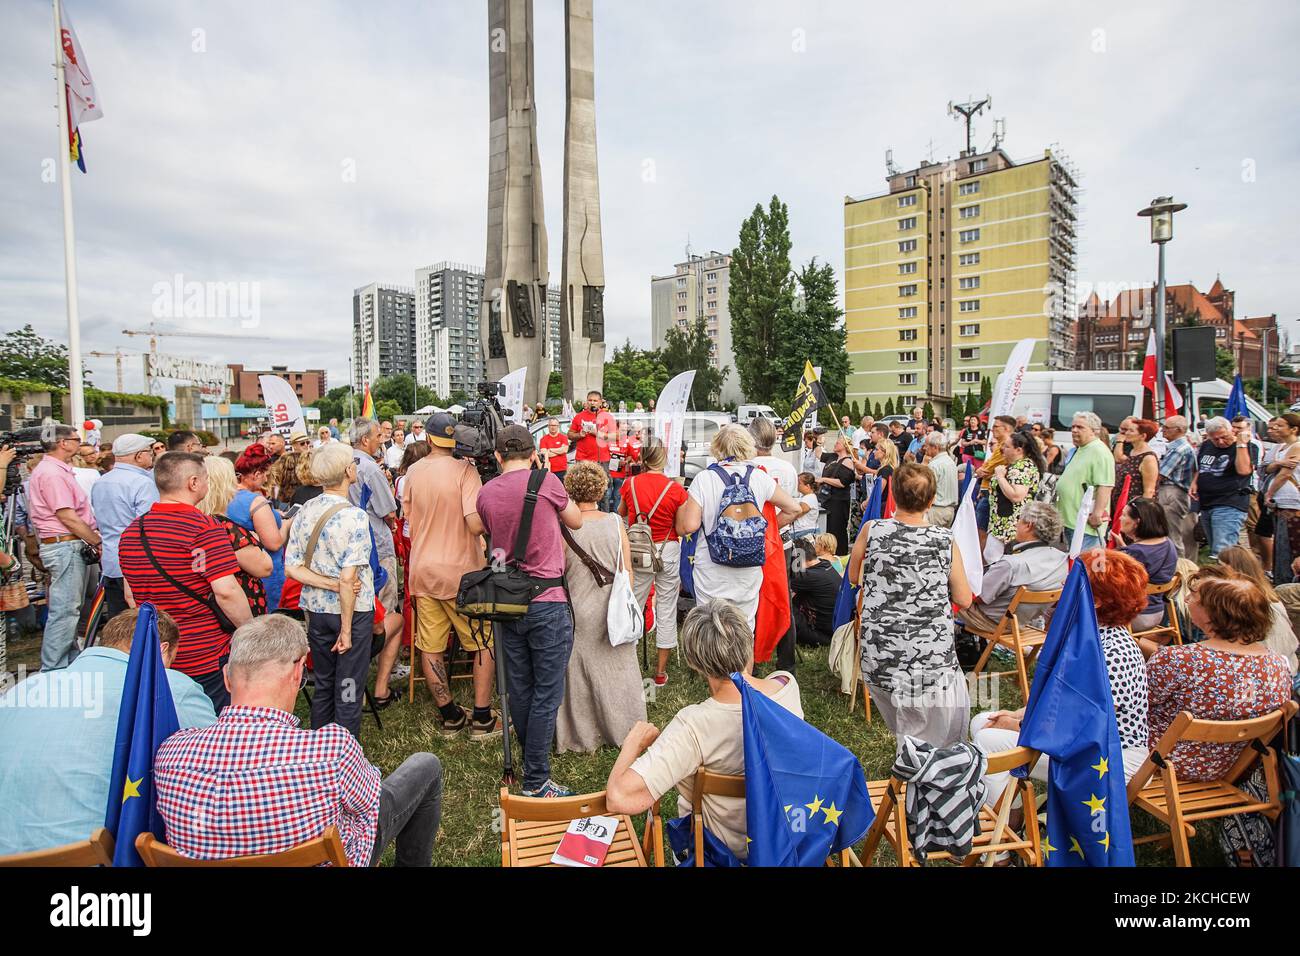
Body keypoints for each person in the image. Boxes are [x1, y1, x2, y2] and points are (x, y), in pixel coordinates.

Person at [154, 615, 443, 866]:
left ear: (227, 679)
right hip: (339, 850)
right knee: (425, 765)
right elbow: (370, 806)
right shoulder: (331, 750)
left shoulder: (170, 756)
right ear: (297, 673)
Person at [0, 606, 215, 855]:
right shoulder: (166, 685)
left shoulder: (27, 687)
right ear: (162, 649)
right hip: (96, 855)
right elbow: (215, 760)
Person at [604, 600, 802, 861]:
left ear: (695, 663)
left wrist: (634, 742)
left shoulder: (693, 726)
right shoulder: (786, 685)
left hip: (719, 852)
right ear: (747, 645)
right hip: (785, 837)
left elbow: (619, 797)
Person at [970, 548, 1153, 800]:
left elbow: (1075, 722)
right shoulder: (1090, 635)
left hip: (1109, 758)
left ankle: (1003, 825)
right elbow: (1060, 702)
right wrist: (1016, 715)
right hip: (1083, 743)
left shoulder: (1111, 652)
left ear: (1096, 600)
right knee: (983, 721)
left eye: (1071, 581)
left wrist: (1016, 725)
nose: (1063, 584)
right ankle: (1012, 813)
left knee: (989, 740)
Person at [476, 424, 583, 798]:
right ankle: (536, 778)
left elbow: (485, 527)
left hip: (507, 600)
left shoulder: (486, 492)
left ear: (498, 457)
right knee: (547, 692)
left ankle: (529, 758)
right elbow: (577, 520)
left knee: (519, 688)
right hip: (547, 600)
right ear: (534, 453)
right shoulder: (547, 481)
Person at [848, 461, 973, 747]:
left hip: (880, 659)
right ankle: (923, 763)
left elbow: (855, 576)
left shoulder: (871, 530)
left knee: (909, 725)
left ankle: (912, 756)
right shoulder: (945, 539)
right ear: (931, 501)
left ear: (892, 491)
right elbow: (964, 599)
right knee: (929, 731)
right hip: (929, 661)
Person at [119, 452, 253, 710]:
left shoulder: (133, 532)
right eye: (205, 479)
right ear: (193, 483)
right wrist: (249, 629)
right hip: (205, 653)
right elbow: (226, 591)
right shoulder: (203, 528)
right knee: (209, 722)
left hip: (157, 651)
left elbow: (131, 596)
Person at [1145, 568, 1292, 781]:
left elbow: (1135, 707)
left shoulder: (1177, 660)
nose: (1186, 599)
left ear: (1213, 612)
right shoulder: (1279, 665)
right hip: (1232, 766)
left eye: (1194, 596)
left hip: (1165, 763)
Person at [402, 413, 497, 737]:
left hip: (423, 570)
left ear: (428, 439)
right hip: (462, 573)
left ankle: (450, 715)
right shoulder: (466, 472)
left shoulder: (412, 472)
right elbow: (474, 524)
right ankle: (482, 718)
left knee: (431, 646)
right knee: (483, 643)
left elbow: (409, 520)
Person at [283, 443, 375, 739]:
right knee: (348, 686)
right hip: (351, 612)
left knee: (323, 681)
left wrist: (327, 584)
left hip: (315, 609)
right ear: (349, 472)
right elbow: (348, 579)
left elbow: (292, 567)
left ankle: (318, 753)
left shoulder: (306, 509)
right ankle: (344, 758)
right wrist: (347, 629)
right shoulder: (355, 516)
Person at [556, 462, 646, 752]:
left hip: (578, 605)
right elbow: (626, 567)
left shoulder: (562, 527)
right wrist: (626, 598)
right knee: (618, 668)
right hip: (612, 604)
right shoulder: (614, 522)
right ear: (601, 489)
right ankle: (625, 729)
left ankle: (580, 735)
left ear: (570, 489)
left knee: (578, 671)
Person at [677, 424, 802, 628]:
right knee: (744, 629)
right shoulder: (759, 477)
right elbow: (794, 509)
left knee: (709, 629)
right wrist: (765, 530)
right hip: (748, 565)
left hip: (711, 567)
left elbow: (690, 525)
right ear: (748, 446)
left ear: (717, 447)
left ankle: (711, 660)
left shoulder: (704, 478)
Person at [28, 423, 102, 671]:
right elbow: (67, 516)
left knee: (70, 609)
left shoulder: (55, 470)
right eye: (75, 438)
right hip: (64, 545)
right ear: (63, 443)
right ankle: (53, 668)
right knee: (65, 610)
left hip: (65, 545)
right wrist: (95, 540)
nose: (79, 443)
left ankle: (67, 662)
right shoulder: (52, 473)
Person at [618, 441, 690, 687]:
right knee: (667, 608)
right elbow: (681, 528)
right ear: (665, 458)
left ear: (643, 458)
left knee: (634, 606)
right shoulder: (675, 489)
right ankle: (660, 673)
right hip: (668, 548)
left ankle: (629, 667)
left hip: (640, 549)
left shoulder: (630, 484)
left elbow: (622, 512)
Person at [957, 501, 1068, 633]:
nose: (1016, 524)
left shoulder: (1012, 564)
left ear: (1028, 526)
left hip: (991, 622)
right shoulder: (1062, 559)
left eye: (1019, 521)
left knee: (947, 595)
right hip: (1022, 622)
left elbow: (976, 596)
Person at [89, 433, 159, 621]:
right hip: (136, 563)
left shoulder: (101, 481)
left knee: (118, 620)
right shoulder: (142, 482)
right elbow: (148, 526)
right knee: (142, 621)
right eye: (148, 452)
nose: (151, 456)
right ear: (138, 456)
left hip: (111, 560)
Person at [199, 456, 273, 616]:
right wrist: (255, 539)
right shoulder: (224, 527)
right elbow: (264, 567)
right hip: (235, 615)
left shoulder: (196, 521)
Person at [348, 418, 400, 625]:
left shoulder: (344, 461)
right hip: (376, 543)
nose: (381, 440)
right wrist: (392, 526)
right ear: (364, 440)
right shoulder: (370, 468)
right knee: (384, 604)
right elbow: (388, 511)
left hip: (351, 544)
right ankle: (386, 655)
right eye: (378, 436)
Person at [1213, 550, 1298, 673]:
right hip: (1280, 664)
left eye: (1220, 565)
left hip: (1271, 669)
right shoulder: (1267, 597)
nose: (1216, 569)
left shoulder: (1249, 603)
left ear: (1233, 569)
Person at [228, 443, 290, 611]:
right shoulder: (255, 502)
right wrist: (286, 524)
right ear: (256, 474)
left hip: (240, 573)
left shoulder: (227, 496)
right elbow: (274, 543)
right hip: (266, 573)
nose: (266, 479)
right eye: (265, 475)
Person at [1191, 416, 1256, 561]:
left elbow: (1244, 470)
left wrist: (1240, 445)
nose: (1220, 442)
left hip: (1229, 502)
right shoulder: (1207, 445)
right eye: (1215, 439)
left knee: (1222, 550)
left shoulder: (1246, 446)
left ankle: (1227, 580)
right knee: (1214, 546)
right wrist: (1195, 482)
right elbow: (1201, 467)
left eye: (1224, 437)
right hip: (1207, 502)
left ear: (1231, 430)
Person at [1116, 497, 1178, 631]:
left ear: (1136, 523)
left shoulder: (1135, 553)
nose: (1120, 518)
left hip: (1133, 615)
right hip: (1158, 611)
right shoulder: (1168, 544)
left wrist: (1118, 555)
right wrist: (1123, 550)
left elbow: (1114, 586)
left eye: (1124, 515)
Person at [1055, 411, 1114, 552]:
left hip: (1086, 524)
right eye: (1073, 427)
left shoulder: (1100, 452)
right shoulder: (1082, 449)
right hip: (1073, 520)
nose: (1074, 430)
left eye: (1080, 427)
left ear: (1094, 431)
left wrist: (1097, 514)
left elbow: (1105, 485)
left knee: (1084, 564)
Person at [1263, 412, 1300, 585]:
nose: (1275, 428)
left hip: (1292, 502)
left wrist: (1269, 493)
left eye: (1280, 425)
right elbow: (1265, 468)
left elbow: (1285, 474)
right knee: (1279, 541)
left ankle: (1290, 581)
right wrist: (1278, 463)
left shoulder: (1297, 446)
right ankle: (1280, 580)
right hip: (1278, 502)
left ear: (1293, 429)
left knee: (1291, 542)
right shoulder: (1278, 448)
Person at [988, 431, 1044, 543]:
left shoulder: (1021, 468)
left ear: (1018, 450)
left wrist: (1000, 477)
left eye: (1007, 446)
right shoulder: (1015, 465)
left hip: (1009, 528)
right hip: (1002, 525)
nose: (1002, 448)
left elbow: (1016, 496)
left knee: (996, 559)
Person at [1156, 415, 1197, 560]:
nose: (1162, 430)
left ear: (1179, 430)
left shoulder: (1178, 449)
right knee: (1175, 534)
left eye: (1167, 428)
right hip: (1177, 493)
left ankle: (1180, 570)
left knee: (1172, 535)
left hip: (1171, 493)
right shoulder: (1183, 447)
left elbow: (1160, 475)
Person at [790, 535, 841, 647]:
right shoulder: (825, 564)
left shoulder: (808, 576)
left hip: (821, 636)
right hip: (834, 631)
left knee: (785, 603)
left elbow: (783, 584)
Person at [815, 435, 858, 555]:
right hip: (827, 498)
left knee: (837, 528)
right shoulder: (833, 456)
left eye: (838, 443)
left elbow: (842, 483)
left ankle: (840, 554)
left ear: (844, 446)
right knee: (827, 527)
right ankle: (827, 553)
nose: (835, 444)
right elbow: (818, 454)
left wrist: (824, 479)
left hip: (839, 500)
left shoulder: (848, 461)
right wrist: (819, 443)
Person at [568, 389, 617, 472]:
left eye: (595, 400)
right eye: (590, 400)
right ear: (587, 401)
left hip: (602, 459)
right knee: (582, 484)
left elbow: (615, 437)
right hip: (582, 459)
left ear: (600, 402)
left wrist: (597, 434)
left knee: (602, 484)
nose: (592, 403)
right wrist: (579, 435)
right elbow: (570, 435)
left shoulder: (607, 416)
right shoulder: (579, 416)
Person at [1115, 418, 1160, 500]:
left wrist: (1141, 510)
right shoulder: (1133, 452)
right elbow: (1118, 458)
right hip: (1122, 505)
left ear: (1143, 436)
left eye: (1131, 431)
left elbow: (1149, 491)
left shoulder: (1148, 458)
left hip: (1135, 508)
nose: (1126, 433)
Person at [921, 432, 959, 529]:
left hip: (936, 511)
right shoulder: (950, 461)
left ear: (935, 447)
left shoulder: (934, 465)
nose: (925, 448)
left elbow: (925, 490)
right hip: (950, 511)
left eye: (927, 446)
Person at [606, 424, 642, 513]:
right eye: (622, 430)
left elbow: (630, 456)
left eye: (626, 430)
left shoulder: (627, 440)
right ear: (617, 429)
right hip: (608, 473)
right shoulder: (609, 439)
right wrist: (612, 461)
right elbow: (603, 455)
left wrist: (626, 461)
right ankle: (605, 516)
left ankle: (617, 516)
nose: (623, 432)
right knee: (607, 494)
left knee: (617, 495)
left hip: (620, 473)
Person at [538, 417, 570, 483]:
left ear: (558, 426)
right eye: (551, 425)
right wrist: (559, 451)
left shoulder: (563, 437)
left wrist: (551, 450)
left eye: (555, 425)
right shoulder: (543, 439)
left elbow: (565, 450)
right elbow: (545, 455)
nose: (553, 427)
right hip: (549, 470)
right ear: (548, 426)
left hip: (562, 470)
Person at [791, 471, 820, 540]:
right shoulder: (806, 497)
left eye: (799, 483)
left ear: (807, 486)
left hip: (805, 532)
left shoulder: (809, 498)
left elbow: (798, 512)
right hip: (803, 531)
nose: (797, 485)